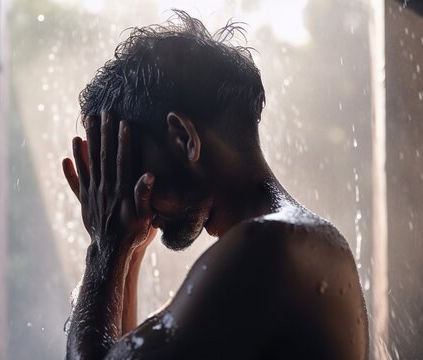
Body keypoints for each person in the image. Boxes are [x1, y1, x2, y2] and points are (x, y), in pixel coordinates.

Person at [62, 10, 368, 360]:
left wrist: (105, 246)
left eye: (129, 166)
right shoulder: (295, 238)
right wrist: (128, 248)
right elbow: (125, 352)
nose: (125, 191)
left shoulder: (265, 249)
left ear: (184, 139)